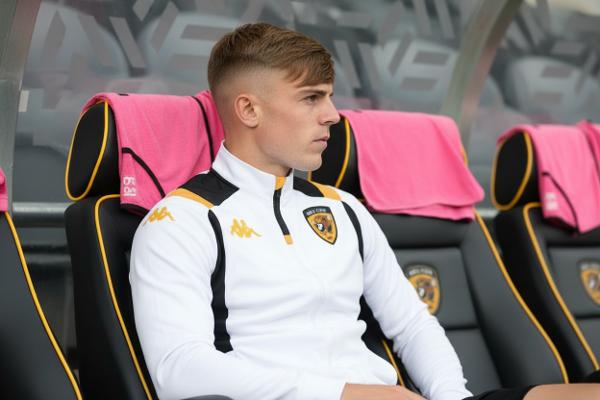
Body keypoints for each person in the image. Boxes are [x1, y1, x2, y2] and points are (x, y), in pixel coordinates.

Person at [130, 22, 600, 400]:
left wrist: (451, 395)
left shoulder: (343, 208)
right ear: (249, 110)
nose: (333, 115)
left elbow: (412, 324)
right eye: (311, 98)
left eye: (329, 96)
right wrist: (344, 394)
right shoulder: (180, 222)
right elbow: (179, 369)